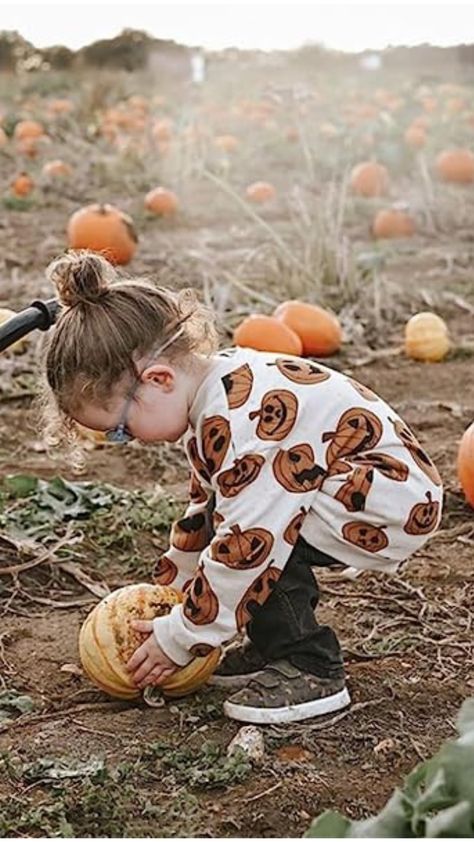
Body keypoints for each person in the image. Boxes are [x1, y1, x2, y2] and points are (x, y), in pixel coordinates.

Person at [42, 250, 443, 725]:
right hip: (347, 490)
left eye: (121, 429)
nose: (125, 441)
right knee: (241, 521)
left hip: (383, 504)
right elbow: (206, 504)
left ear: (158, 381)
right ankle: (274, 642)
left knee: (257, 540)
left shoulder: (245, 420)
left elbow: (249, 540)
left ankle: (311, 666)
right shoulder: (216, 393)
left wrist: (181, 635)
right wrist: (176, 590)